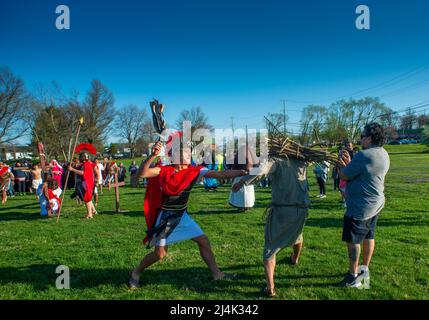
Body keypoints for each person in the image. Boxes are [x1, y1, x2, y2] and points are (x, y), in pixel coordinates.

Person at [128, 136, 248, 289]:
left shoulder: (195, 171)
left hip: (182, 216)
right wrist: (153, 155)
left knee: (203, 240)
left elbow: (221, 175)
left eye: (188, 151)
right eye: (184, 151)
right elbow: (143, 174)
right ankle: (136, 272)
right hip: (166, 219)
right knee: (159, 255)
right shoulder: (164, 170)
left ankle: (217, 274)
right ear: (174, 156)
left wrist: (242, 172)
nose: (188, 154)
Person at [232, 153, 311, 297]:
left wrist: (242, 181)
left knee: (270, 247)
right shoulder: (301, 160)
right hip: (302, 208)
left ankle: (270, 288)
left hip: (283, 209)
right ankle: (295, 258)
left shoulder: (277, 160)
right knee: (297, 234)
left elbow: (261, 171)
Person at [337, 123, 390, 288]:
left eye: (362, 135)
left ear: (369, 137)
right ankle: (363, 270)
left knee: (353, 241)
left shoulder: (364, 155)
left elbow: (344, 175)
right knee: (369, 236)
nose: (360, 138)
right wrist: (351, 163)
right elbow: (364, 173)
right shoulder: (383, 153)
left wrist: (341, 164)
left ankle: (352, 276)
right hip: (376, 203)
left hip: (360, 207)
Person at [68, 152, 100, 219]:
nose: (79, 158)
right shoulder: (84, 164)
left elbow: (83, 173)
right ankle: (93, 211)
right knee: (88, 198)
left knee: (87, 198)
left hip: (86, 183)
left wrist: (72, 169)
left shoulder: (87, 164)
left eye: (80, 157)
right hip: (85, 182)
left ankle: (89, 214)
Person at [229, 146, 256, 212]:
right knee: (247, 191)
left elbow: (234, 166)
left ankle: (241, 206)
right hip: (249, 176)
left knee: (241, 192)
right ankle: (247, 206)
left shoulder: (239, 155)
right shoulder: (251, 155)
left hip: (240, 175)